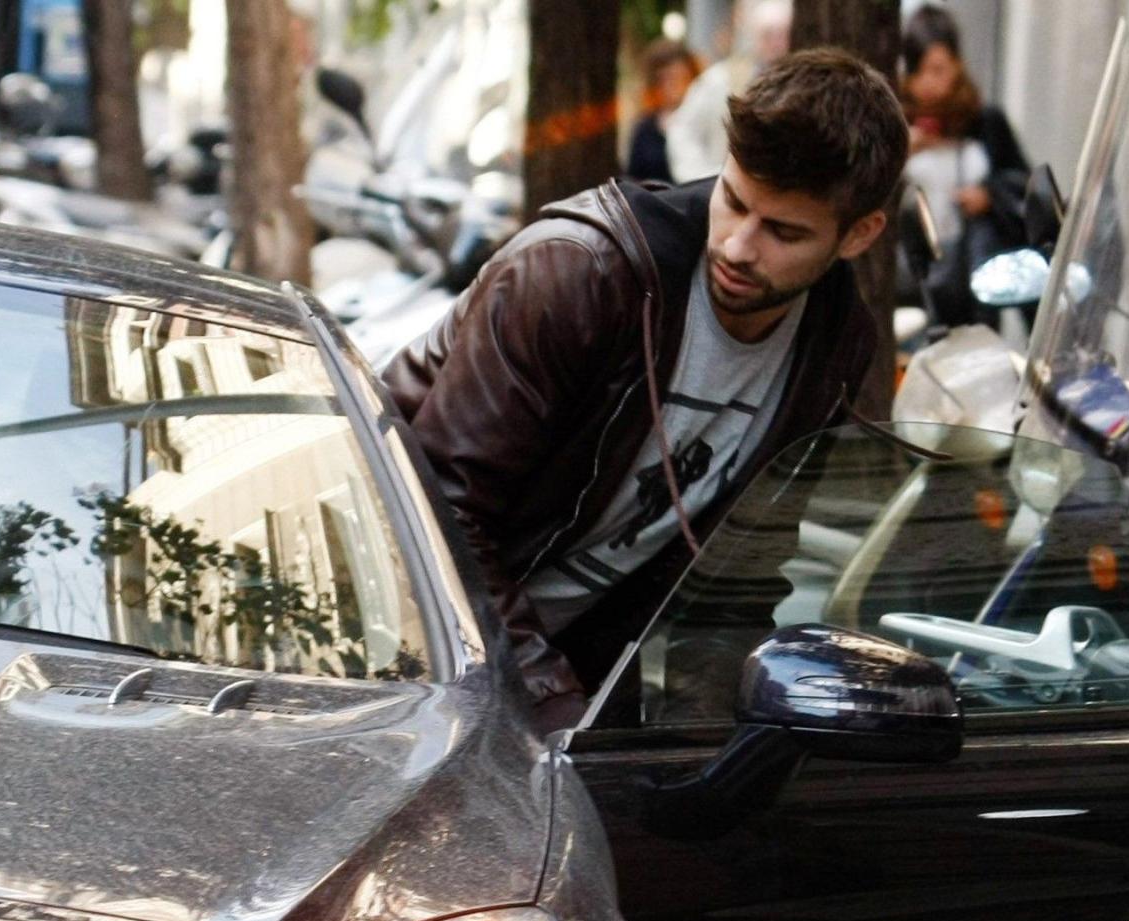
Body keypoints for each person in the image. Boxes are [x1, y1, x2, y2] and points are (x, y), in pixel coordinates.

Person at [384, 49, 908, 731]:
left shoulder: (834, 344)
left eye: (783, 231)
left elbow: (740, 571)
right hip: (402, 633)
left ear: (860, 233)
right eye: (734, 200)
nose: (739, 247)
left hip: (563, 670)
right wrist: (549, 704)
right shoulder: (579, 275)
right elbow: (441, 516)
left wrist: (708, 730)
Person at [900, 4, 1028, 328]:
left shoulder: (982, 121)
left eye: (938, 69)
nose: (928, 83)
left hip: (971, 272)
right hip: (911, 278)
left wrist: (988, 196)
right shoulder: (897, 123)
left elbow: (1021, 183)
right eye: (918, 71)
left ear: (957, 64)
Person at [666, 0, 792, 184]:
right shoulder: (720, 80)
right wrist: (704, 178)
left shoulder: (804, 82)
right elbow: (682, 130)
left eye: (783, 35)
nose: (776, 44)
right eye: (769, 35)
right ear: (755, 36)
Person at [627, 40, 702, 184]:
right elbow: (633, 177)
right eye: (665, 78)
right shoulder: (645, 128)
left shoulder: (703, 121)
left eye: (679, 77)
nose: (672, 86)